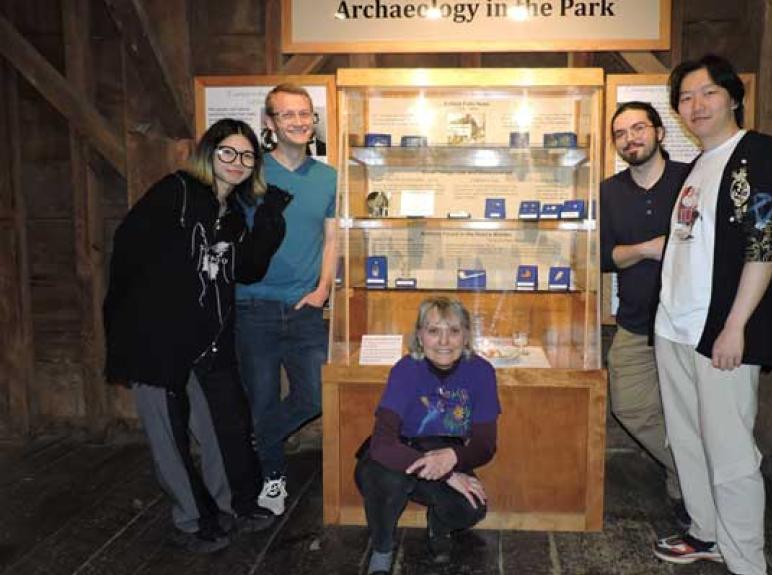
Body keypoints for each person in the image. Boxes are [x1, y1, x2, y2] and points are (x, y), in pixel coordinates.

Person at [103, 118, 291, 553]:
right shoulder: (177, 193)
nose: (237, 162)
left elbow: (246, 268)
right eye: (227, 152)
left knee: (220, 425)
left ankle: (230, 504)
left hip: (206, 341)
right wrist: (142, 320)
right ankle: (193, 520)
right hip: (155, 341)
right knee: (169, 436)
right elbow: (131, 249)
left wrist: (267, 221)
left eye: (246, 156)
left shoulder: (230, 214)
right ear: (209, 153)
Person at [651, 55, 772, 575]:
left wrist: (735, 326)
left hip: (721, 333)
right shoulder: (697, 166)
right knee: (687, 441)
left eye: (708, 92)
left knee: (732, 452)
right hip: (675, 328)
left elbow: (769, 244)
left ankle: (746, 561)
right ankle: (707, 532)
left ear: (733, 96)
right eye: (687, 97)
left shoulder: (761, 153)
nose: (697, 105)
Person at [236, 83, 337, 515]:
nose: (298, 121)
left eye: (305, 113)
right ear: (270, 122)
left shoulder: (329, 177)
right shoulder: (250, 173)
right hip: (252, 308)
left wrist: (322, 290)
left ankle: (254, 439)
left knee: (314, 396)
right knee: (260, 397)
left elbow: (332, 239)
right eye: (288, 114)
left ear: (314, 120)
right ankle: (272, 479)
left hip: (305, 309)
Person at [354, 297, 501, 575]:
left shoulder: (482, 372)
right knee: (389, 480)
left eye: (454, 331)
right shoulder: (405, 370)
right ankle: (382, 549)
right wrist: (448, 474)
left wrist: (453, 458)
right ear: (420, 336)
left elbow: (485, 444)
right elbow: (383, 444)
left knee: (471, 507)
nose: (444, 341)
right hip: (397, 457)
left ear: (467, 335)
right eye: (434, 331)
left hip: (447, 454)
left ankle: (439, 526)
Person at [600, 101, 691, 529]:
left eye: (638, 128)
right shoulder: (609, 191)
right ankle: (689, 470)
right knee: (630, 405)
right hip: (636, 322)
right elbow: (604, 256)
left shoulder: (692, 180)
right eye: (620, 133)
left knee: (690, 409)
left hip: (690, 324)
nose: (630, 138)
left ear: (659, 132)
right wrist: (648, 248)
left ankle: (687, 485)